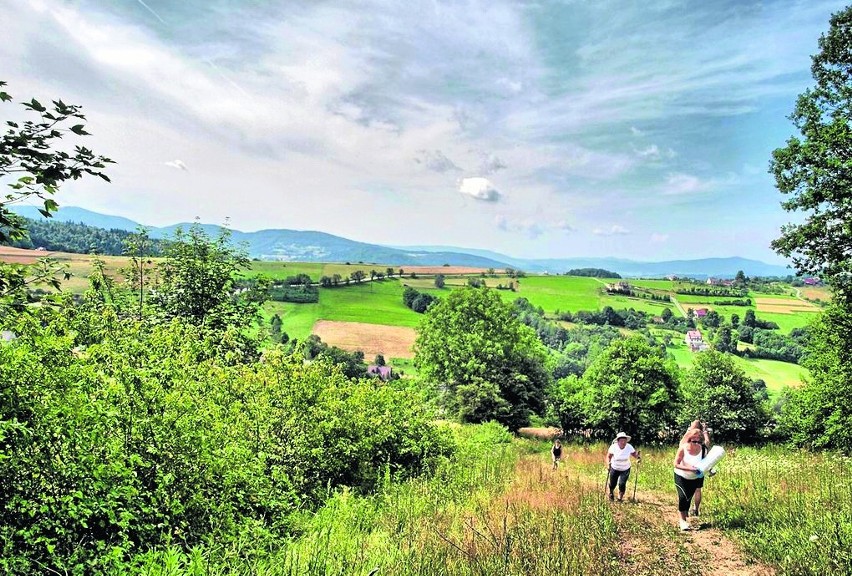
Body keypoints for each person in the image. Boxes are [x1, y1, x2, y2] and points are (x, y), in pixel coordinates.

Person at [673, 427, 706, 530]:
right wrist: (689, 468)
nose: (696, 443)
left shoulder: (703, 449)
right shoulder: (683, 448)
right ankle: (682, 521)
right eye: (694, 441)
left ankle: (685, 512)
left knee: (687, 499)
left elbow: (706, 463)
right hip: (681, 476)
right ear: (689, 439)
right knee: (682, 497)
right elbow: (676, 464)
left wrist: (711, 470)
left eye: (699, 441)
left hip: (694, 478)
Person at [687, 420, 713, 516]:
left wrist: (689, 429)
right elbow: (707, 441)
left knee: (688, 489)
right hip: (700, 469)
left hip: (689, 468)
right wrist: (705, 430)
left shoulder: (689, 441)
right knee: (697, 490)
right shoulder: (703, 444)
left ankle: (687, 508)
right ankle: (696, 509)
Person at [605, 432, 640, 501]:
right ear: (618, 441)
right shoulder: (613, 447)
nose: (623, 442)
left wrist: (638, 458)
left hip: (625, 468)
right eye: (621, 440)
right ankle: (611, 493)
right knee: (612, 484)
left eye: (625, 440)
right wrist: (608, 464)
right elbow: (608, 456)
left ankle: (620, 498)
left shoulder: (629, 446)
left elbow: (634, 454)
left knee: (622, 483)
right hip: (614, 467)